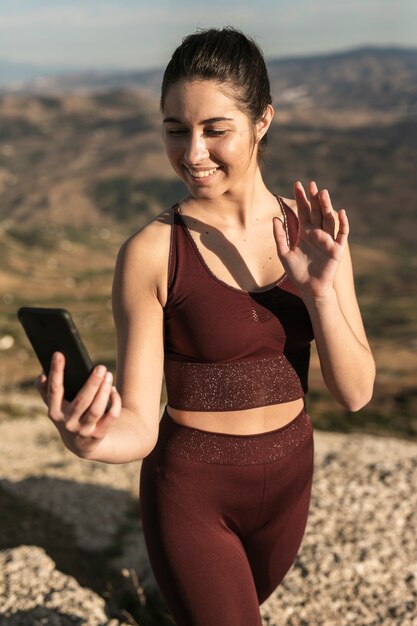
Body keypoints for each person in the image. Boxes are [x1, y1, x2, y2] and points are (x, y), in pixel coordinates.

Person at [37, 27, 375, 626]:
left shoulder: (313, 231)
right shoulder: (151, 252)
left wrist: (322, 292)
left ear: (262, 120)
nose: (193, 153)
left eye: (215, 129)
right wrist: (87, 439)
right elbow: (140, 424)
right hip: (192, 493)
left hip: (291, 481)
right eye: (175, 130)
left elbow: (355, 394)